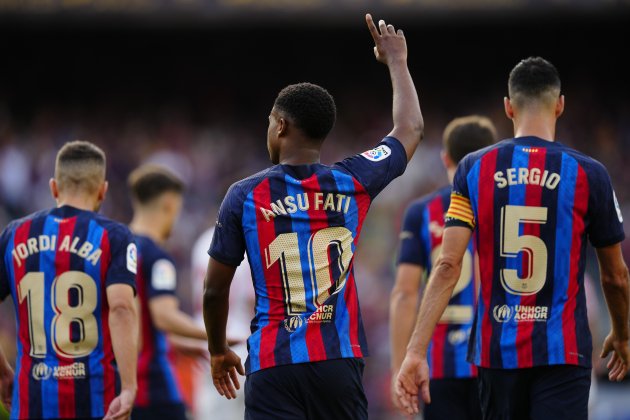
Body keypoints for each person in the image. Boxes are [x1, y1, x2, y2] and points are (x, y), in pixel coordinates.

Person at [203, 14, 423, 419]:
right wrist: (397, 62)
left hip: (273, 365)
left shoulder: (245, 195)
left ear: (281, 126)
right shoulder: (353, 180)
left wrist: (218, 352)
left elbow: (215, 291)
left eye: (270, 122)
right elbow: (409, 129)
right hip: (337, 363)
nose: (267, 129)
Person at [396, 57, 630, 420]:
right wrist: (622, 332)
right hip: (562, 355)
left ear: (508, 108)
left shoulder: (474, 168)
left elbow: (447, 265)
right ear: (560, 104)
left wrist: (415, 351)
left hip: (496, 354)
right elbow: (615, 276)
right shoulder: (590, 173)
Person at [0, 140, 139, 420]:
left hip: (32, 405)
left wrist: (2, 372)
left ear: (53, 187)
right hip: (97, 404)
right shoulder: (115, 237)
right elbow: (122, 308)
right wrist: (129, 386)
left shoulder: (13, 235)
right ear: (103, 190)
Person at [390, 116, 497, 419]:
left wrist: (400, 366)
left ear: (445, 157)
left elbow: (404, 294)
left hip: (437, 366)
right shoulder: (505, 208)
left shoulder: (422, 212)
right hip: (495, 361)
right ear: (491, 157)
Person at [127, 165, 208, 420]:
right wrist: (215, 336)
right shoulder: (158, 258)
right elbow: (164, 316)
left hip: (118, 388)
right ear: (170, 204)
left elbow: (135, 324)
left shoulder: (113, 250)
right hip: (154, 388)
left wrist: (177, 344)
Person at [191, 226, 254, 419]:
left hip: (207, 349)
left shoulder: (203, 240)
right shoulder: (251, 239)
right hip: (243, 347)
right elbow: (255, 300)